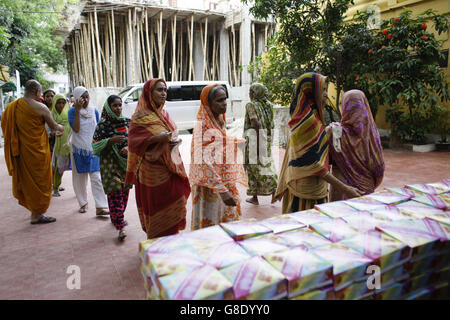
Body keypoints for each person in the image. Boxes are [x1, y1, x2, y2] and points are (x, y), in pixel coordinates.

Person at [273, 72, 363, 213]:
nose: (326, 94)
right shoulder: (309, 123)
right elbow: (314, 165)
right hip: (306, 192)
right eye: (323, 90)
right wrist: (346, 189)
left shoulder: (308, 117)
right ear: (311, 92)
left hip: (305, 185)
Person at [125, 78, 191, 239]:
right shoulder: (140, 116)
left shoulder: (164, 114)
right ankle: (156, 242)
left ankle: (170, 239)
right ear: (149, 92)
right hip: (151, 172)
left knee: (176, 198)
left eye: (165, 90)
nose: (163, 93)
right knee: (156, 207)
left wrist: (171, 140)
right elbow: (133, 142)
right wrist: (156, 139)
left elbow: (170, 135)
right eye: (159, 90)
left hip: (170, 167)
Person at [1, 80, 64, 224]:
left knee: (29, 182)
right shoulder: (41, 107)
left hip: (22, 151)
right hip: (38, 152)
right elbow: (53, 126)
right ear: (37, 92)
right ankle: (37, 214)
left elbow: (7, 128)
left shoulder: (12, 107)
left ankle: (34, 212)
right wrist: (62, 127)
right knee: (41, 182)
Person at [189, 84, 247, 230]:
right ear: (208, 103)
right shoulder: (202, 126)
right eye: (219, 100)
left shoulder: (220, 120)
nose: (224, 104)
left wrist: (233, 143)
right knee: (211, 225)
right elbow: (202, 160)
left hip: (222, 180)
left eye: (225, 99)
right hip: (209, 185)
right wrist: (222, 190)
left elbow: (218, 145)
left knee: (226, 223)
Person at [327, 89, 385, 201]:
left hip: (341, 190)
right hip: (365, 191)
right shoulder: (372, 135)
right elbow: (379, 168)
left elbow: (325, 162)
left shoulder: (334, 133)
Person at [93, 95, 132, 241]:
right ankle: (121, 225)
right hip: (109, 164)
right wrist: (111, 141)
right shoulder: (103, 125)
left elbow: (134, 140)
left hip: (124, 164)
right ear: (109, 107)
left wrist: (128, 147)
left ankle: (117, 217)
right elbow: (95, 145)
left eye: (120, 105)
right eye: (115, 105)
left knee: (124, 193)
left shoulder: (127, 122)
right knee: (115, 193)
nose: (118, 108)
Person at [68, 86, 109, 215]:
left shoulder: (94, 111)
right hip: (78, 149)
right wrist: (78, 111)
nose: (85, 100)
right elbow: (76, 129)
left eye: (87, 97)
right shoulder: (71, 112)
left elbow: (97, 130)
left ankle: (100, 207)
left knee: (97, 177)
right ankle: (83, 203)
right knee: (80, 179)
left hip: (92, 149)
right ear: (76, 99)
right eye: (82, 97)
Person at [243, 83, 278, 205]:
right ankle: (273, 193)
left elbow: (255, 123)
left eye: (250, 91)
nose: (249, 94)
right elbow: (271, 124)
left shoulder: (250, 105)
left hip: (255, 140)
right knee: (266, 166)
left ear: (255, 93)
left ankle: (255, 196)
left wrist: (257, 142)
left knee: (252, 168)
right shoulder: (269, 105)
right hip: (266, 139)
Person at [51, 94, 72, 197]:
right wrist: (54, 133)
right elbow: (48, 129)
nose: (61, 105)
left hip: (67, 144)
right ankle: (55, 187)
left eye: (63, 102)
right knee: (56, 166)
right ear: (54, 103)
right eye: (58, 102)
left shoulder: (68, 113)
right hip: (57, 145)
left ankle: (56, 185)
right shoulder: (51, 114)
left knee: (62, 167)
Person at [43, 89, 56, 154]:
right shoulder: (42, 109)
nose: (50, 98)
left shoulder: (57, 109)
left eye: (52, 96)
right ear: (44, 98)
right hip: (45, 136)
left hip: (56, 136)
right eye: (47, 96)